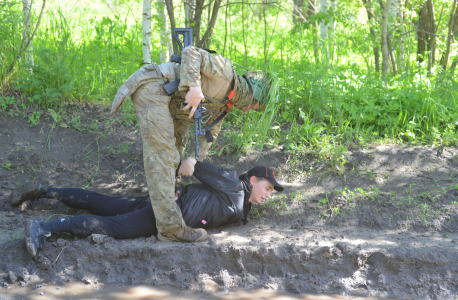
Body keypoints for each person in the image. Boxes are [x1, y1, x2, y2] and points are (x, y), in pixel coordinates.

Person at [110, 46, 279, 243]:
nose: (246, 111)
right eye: (253, 107)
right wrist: (194, 88)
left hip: (172, 104)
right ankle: (170, 227)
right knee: (164, 156)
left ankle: (168, 198)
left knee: (177, 154)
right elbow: (191, 52)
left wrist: (192, 161)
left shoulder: (224, 105)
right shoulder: (224, 74)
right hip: (154, 87)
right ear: (251, 95)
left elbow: (208, 136)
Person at [10, 157, 284, 258]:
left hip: (169, 203)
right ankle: (42, 227)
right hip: (167, 214)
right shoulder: (234, 186)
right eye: (267, 187)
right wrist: (183, 184)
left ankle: (44, 192)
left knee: (104, 202)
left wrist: (180, 192)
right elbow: (191, 165)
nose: (268, 194)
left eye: (271, 191)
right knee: (112, 226)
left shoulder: (241, 204)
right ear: (252, 180)